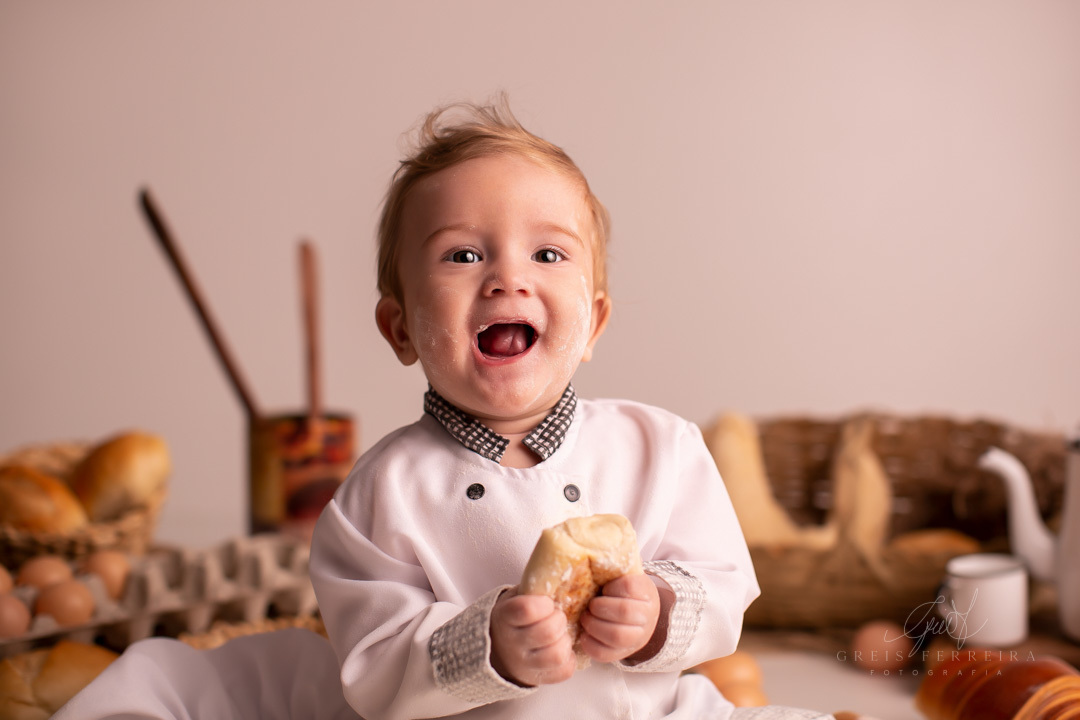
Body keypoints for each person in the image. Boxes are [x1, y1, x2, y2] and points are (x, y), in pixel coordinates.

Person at [307, 97, 833, 720]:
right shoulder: (382, 491)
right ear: (400, 329)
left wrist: (657, 613)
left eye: (547, 255)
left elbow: (724, 585)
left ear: (593, 324)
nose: (508, 278)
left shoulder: (659, 447)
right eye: (463, 255)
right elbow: (373, 664)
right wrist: (489, 647)